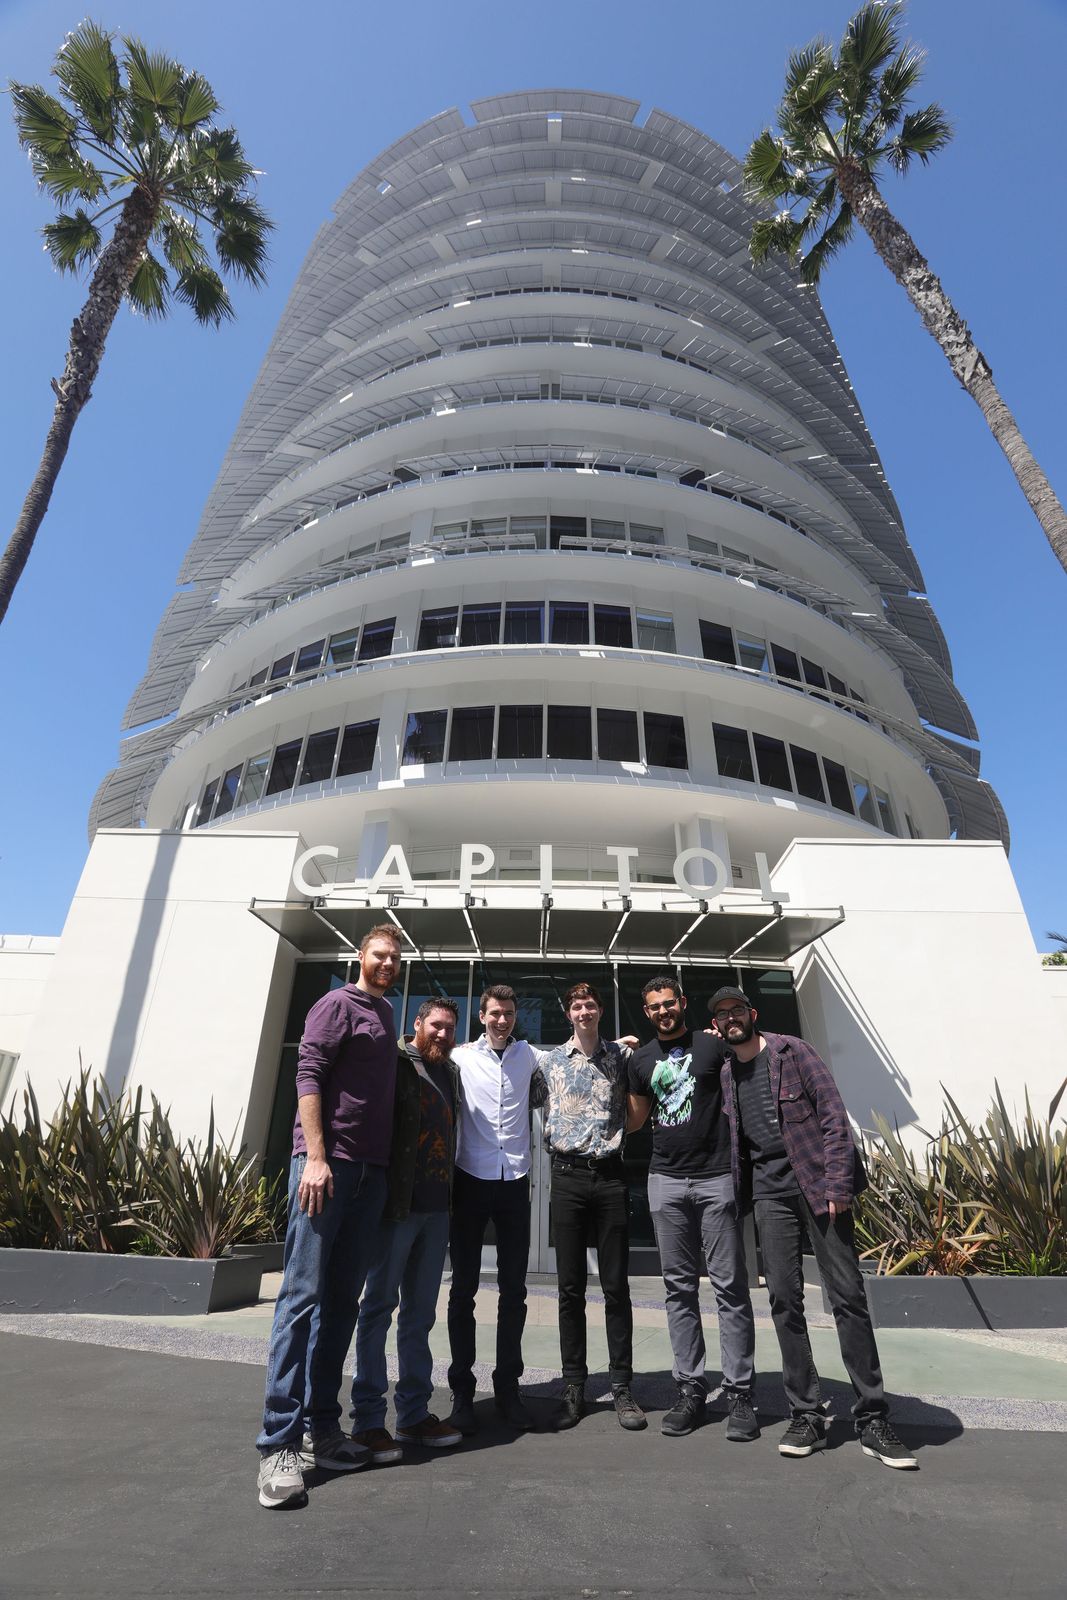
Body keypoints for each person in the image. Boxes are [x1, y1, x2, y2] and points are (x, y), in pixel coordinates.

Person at [709, 985, 917, 1469]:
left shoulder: (793, 1051)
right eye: (721, 1015)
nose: (730, 1018)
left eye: (737, 1010)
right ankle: (806, 1413)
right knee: (784, 1300)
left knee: (847, 1297)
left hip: (819, 1186)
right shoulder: (727, 1071)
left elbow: (832, 1115)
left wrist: (838, 1184)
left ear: (752, 1013)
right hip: (769, 1195)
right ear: (716, 1025)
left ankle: (873, 1418)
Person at [255, 925, 401, 1509]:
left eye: (394, 958)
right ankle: (279, 1444)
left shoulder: (385, 1013)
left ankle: (323, 1428)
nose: (387, 963)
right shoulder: (335, 1003)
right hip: (326, 1168)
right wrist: (315, 1157)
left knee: (342, 1304)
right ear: (360, 956)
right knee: (300, 1299)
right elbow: (308, 1075)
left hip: (369, 1174)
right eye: (379, 955)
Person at [627, 975, 758, 1442]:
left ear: (682, 1003)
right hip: (664, 1179)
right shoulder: (641, 1059)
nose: (663, 1011)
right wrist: (613, 1065)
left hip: (715, 1176)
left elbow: (747, 1078)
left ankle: (740, 1393)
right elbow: (635, 1120)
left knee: (730, 1287)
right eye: (655, 1006)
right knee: (678, 1289)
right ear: (647, 1012)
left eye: (669, 1003)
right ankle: (691, 1389)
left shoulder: (713, 1046)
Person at [350, 998, 464, 1460]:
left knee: (420, 1316)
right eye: (435, 1025)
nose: (442, 1034)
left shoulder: (450, 1072)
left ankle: (413, 1415)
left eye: (449, 1028)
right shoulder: (395, 1063)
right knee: (378, 1308)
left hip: (437, 1212)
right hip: (396, 1209)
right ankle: (367, 1422)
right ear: (417, 1023)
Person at [540, 982, 645, 1432]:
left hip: (610, 1176)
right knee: (570, 1288)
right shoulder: (549, 1063)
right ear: (569, 1014)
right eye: (576, 1006)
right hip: (566, 1177)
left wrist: (626, 1045)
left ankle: (622, 1386)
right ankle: (574, 1385)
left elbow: (639, 1106)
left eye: (590, 1005)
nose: (583, 1011)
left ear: (600, 1010)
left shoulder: (622, 1057)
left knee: (616, 1286)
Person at [445, 983, 548, 1434]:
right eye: (494, 1013)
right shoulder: (461, 1057)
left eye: (508, 1013)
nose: (502, 1020)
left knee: (515, 1291)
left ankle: (508, 1388)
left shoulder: (529, 1055)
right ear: (482, 1016)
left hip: (514, 1183)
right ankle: (462, 1393)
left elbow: (574, 1054)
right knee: (462, 1291)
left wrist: (619, 1046)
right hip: (470, 1178)